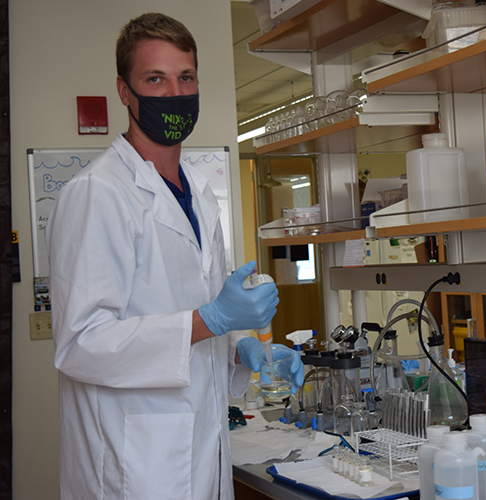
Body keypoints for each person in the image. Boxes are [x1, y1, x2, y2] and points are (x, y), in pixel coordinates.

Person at [46, 13, 303, 499]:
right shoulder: (97, 194)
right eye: (155, 79)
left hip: (200, 451)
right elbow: (81, 344)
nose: (173, 93)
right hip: (133, 467)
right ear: (125, 91)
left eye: (185, 78)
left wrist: (241, 351)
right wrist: (213, 319)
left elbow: (191, 322)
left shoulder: (201, 195)